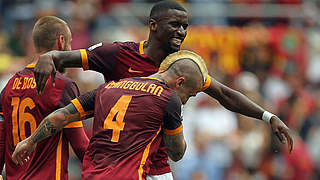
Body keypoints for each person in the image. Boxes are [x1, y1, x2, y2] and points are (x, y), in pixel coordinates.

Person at [32, 0, 293, 179]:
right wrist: (48, 58)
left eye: (185, 26)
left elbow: (224, 94)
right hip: (118, 164)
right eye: (175, 25)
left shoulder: (182, 67)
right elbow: (62, 58)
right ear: (153, 25)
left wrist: (267, 116)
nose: (181, 31)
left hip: (157, 165)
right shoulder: (118, 54)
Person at [12, 50, 208, 180]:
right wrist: (176, 119)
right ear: (180, 82)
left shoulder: (109, 87)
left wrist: (30, 141)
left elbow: (61, 116)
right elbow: (176, 153)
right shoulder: (169, 99)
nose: (185, 100)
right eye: (189, 95)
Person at [0, 16, 89, 179]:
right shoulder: (62, 86)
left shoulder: (9, 86)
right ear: (61, 41)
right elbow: (81, 146)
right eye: (69, 43)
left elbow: (1, 139)